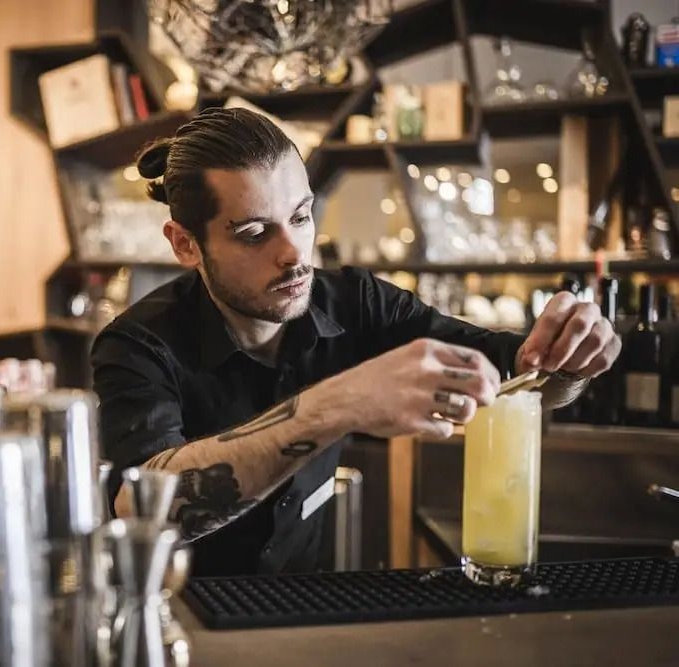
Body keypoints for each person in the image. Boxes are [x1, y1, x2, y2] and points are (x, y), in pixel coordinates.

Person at [90, 107, 620, 577]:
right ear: (186, 244)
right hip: (177, 619)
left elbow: (523, 378)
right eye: (254, 233)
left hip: (303, 608)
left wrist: (570, 361)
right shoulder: (138, 343)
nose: (293, 253)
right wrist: (336, 405)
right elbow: (143, 506)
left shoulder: (357, 303)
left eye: (301, 217)